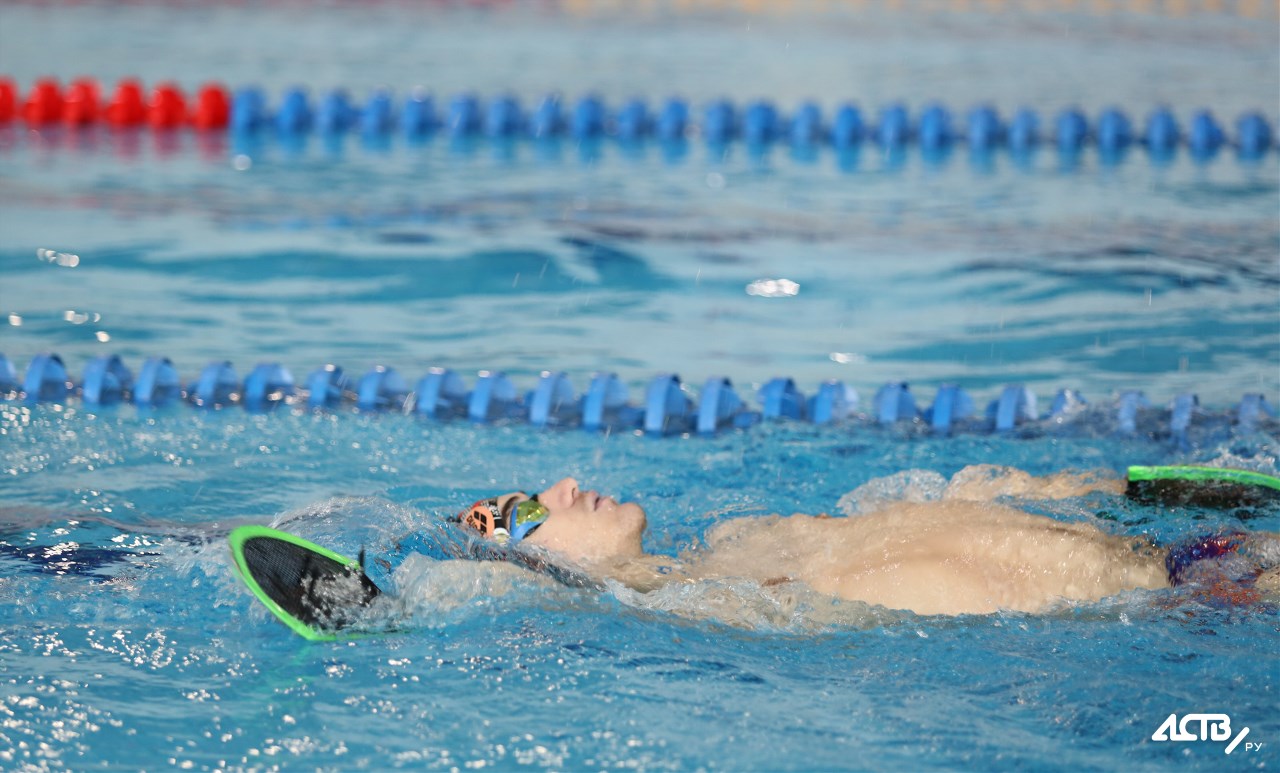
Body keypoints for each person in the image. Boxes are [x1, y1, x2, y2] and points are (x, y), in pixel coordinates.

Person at [453, 466, 1280, 616]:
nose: (559, 486)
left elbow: (924, 514)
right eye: (526, 511)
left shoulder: (736, 541)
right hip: (1199, 603)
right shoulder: (692, 611)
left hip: (1176, 554)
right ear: (544, 565)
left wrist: (1076, 490)